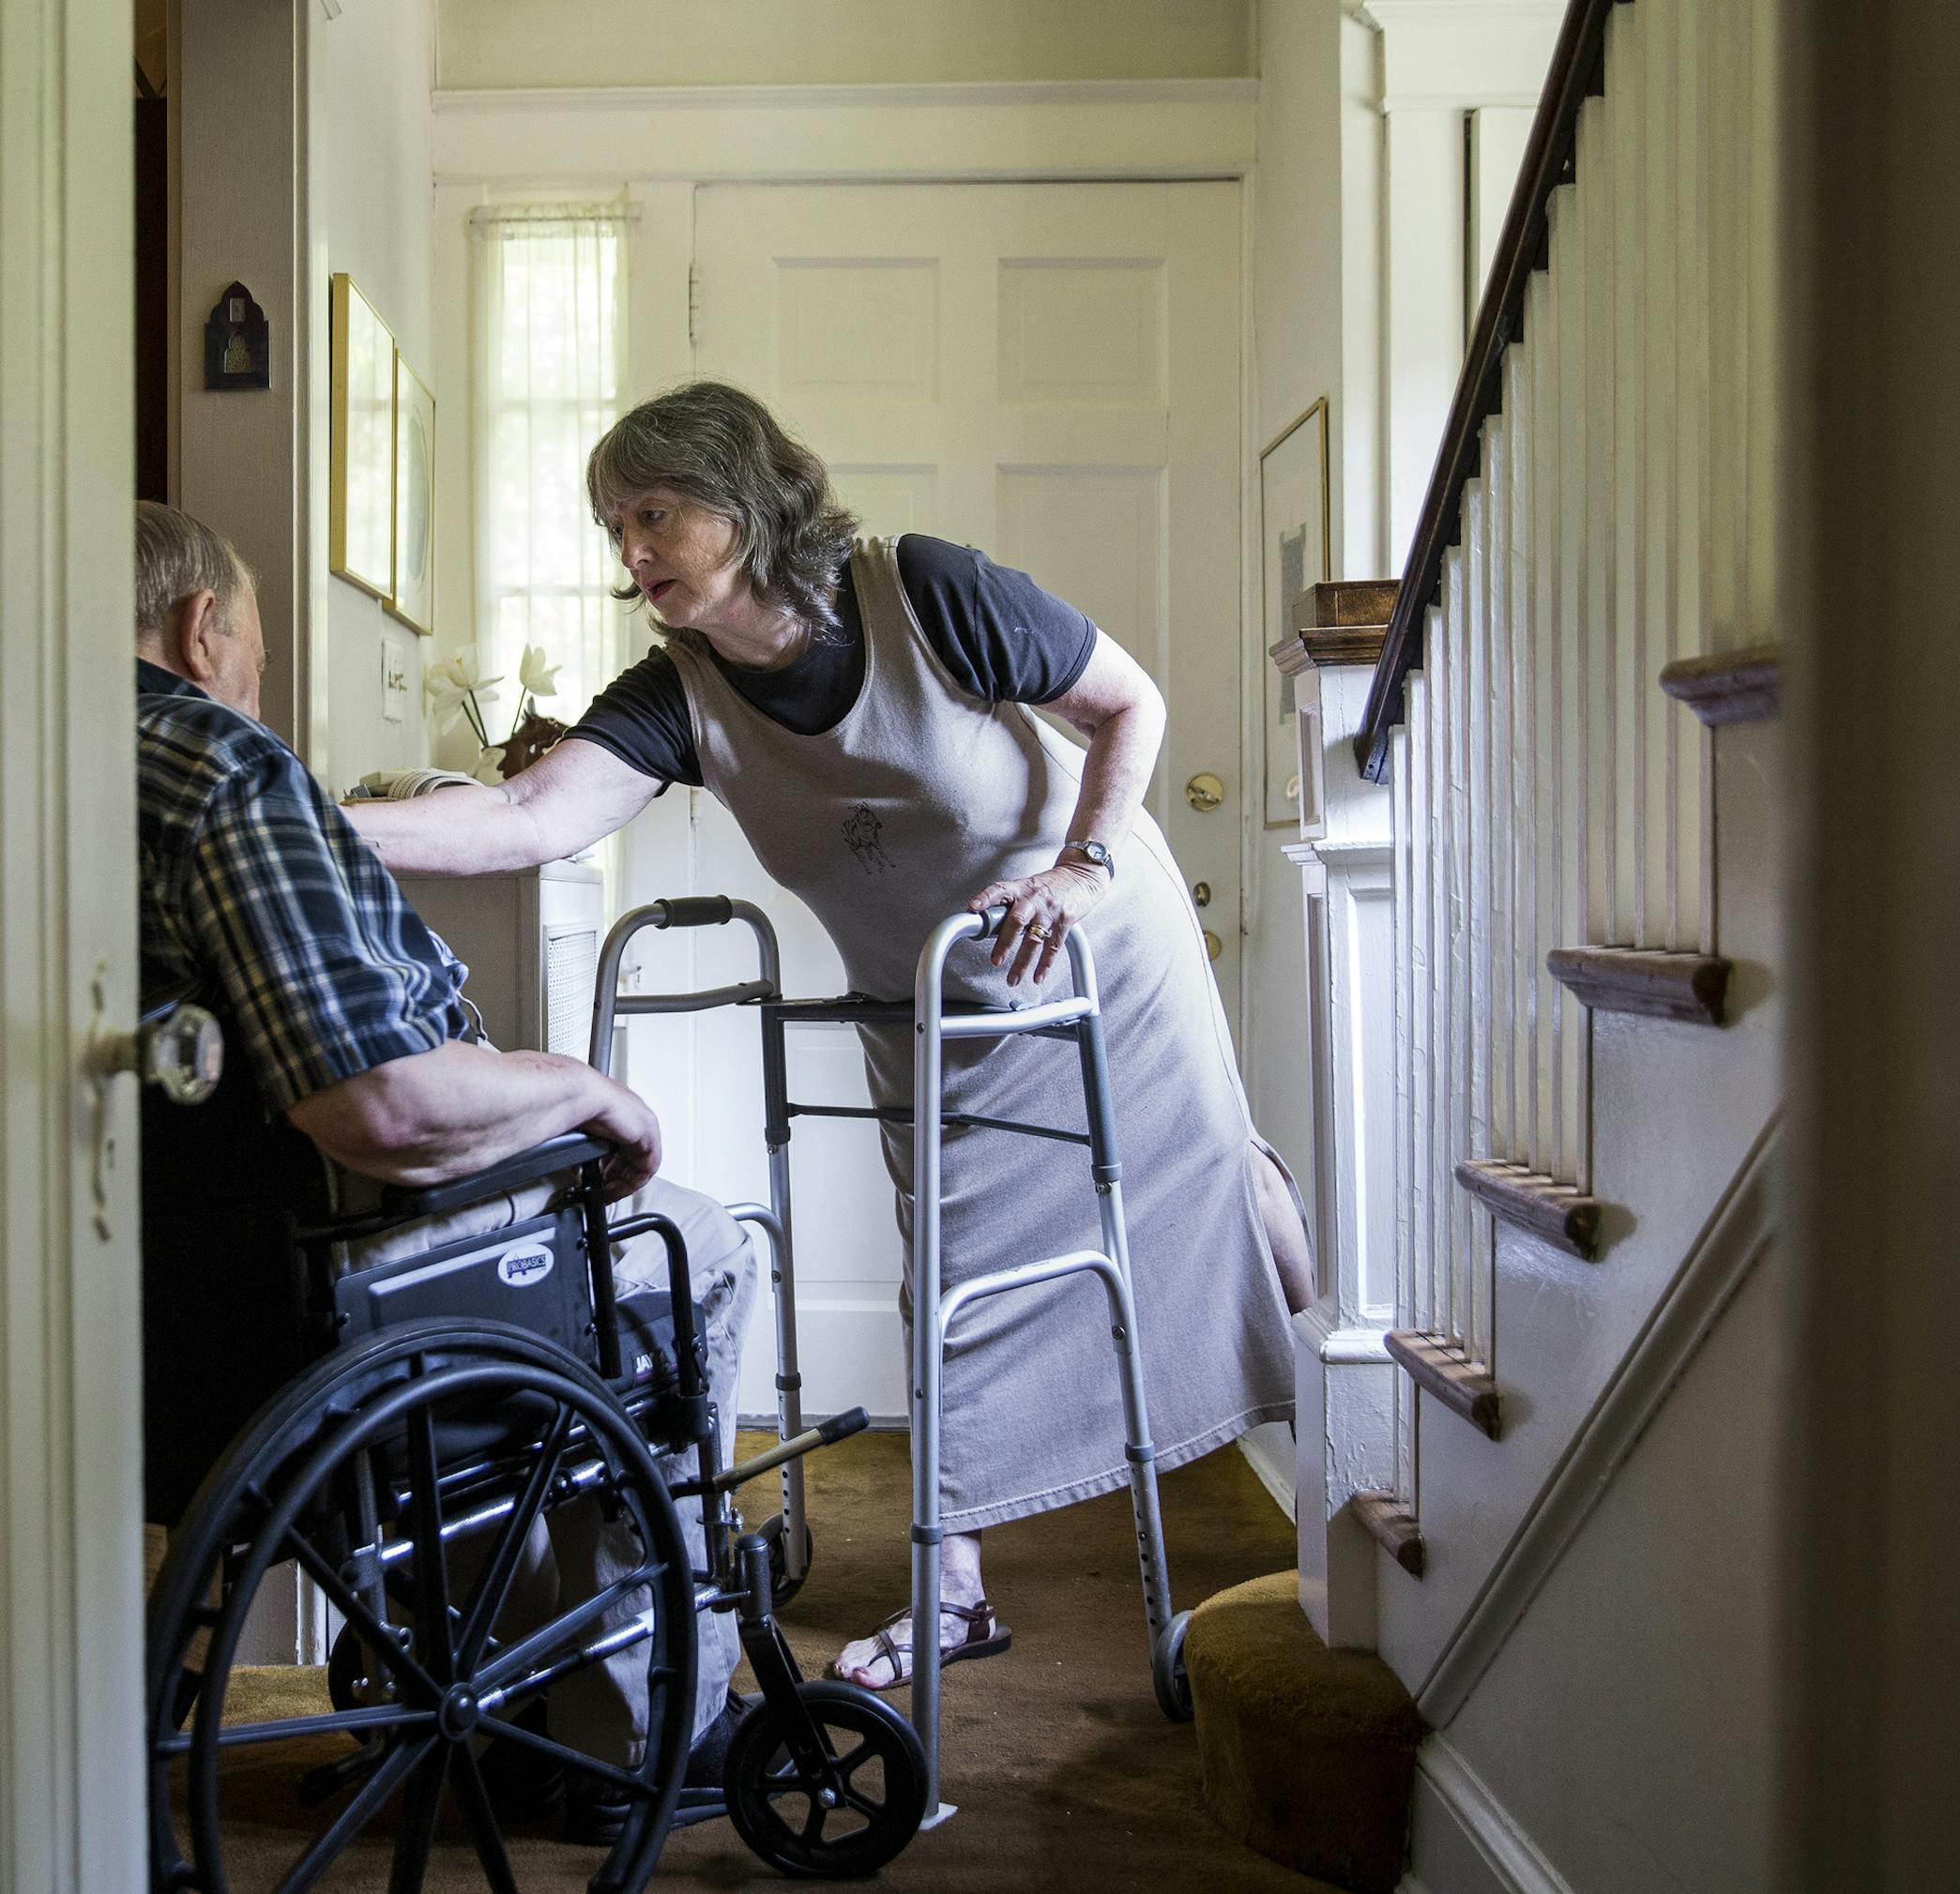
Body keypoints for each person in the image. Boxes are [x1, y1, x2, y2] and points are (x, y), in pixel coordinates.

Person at [344, 382, 1311, 1691]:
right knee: (949, 1271)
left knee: (1215, 1180)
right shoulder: (677, 688)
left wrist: (1078, 870)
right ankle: (955, 1591)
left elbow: (1126, 702)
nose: (629, 550)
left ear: (741, 501)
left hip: (1097, 950)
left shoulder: (923, 590)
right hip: (926, 999)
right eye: (613, 524)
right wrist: (309, 822)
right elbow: (527, 819)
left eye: (653, 514)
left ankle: (1345, 1476)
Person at [132, 501, 750, 1830]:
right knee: (681, 1247)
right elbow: (389, 1113)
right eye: (257, 651)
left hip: (129, 1304)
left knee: (491, 1296)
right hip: (282, 1302)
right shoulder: (217, 767)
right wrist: (583, 1089)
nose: (257, 686)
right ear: (201, 631)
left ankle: (514, 1689)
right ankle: (635, 1726)